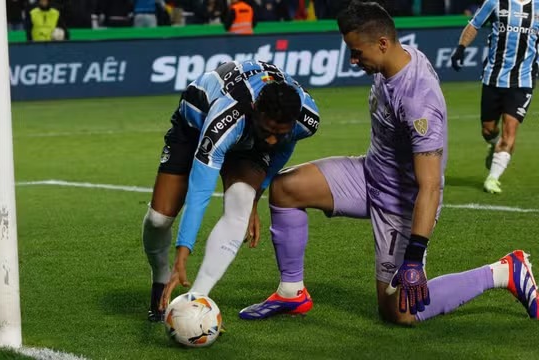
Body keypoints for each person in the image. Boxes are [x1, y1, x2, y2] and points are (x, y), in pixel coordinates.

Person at [239, 1, 537, 325]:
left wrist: (414, 256)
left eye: (357, 52)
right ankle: (291, 292)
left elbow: (431, 185)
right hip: (369, 175)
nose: (353, 60)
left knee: (399, 312)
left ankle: (505, 271)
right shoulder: (393, 58)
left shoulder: (418, 99)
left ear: (382, 44)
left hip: (403, 204)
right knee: (286, 188)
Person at [142, 59, 321, 321]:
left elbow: (283, 147)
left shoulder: (306, 120)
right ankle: (160, 278)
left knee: (241, 203)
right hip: (194, 126)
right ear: (255, 109)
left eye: (279, 132)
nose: (272, 139)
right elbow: (200, 192)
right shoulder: (227, 117)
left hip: (249, 141)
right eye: (269, 130)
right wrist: (183, 253)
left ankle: (195, 302)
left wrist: (256, 196)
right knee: (159, 220)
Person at [450, 0, 539, 194]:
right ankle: (494, 145)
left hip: (523, 81)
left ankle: (492, 178)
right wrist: (460, 48)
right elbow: (474, 24)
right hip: (493, 78)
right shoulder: (495, 3)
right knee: (488, 129)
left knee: (510, 129)